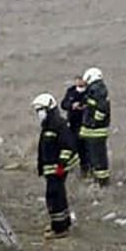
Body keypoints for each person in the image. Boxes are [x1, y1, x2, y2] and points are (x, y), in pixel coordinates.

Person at [31, 93, 79, 239]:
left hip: (57, 170)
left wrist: (61, 165)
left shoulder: (58, 124)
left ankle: (59, 229)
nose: (39, 114)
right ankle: (62, 223)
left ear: (49, 108)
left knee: (54, 197)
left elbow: (68, 147)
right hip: (51, 169)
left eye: (41, 110)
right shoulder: (48, 124)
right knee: (58, 196)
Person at [80, 67, 111, 187]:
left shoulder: (97, 89)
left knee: (98, 156)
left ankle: (102, 181)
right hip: (93, 130)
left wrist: (94, 122)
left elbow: (101, 109)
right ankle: (98, 178)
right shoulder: (96, 89)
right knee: (94, 155)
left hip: (96, 130)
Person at [61, 75, 90, 178]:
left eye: (81, 79)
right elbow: (63, 104)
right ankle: (65, 168)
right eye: (77, 79)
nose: (79, 81)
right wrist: (71, 105)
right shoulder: (71, 91)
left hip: (85, 124)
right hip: (72, 123)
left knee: (84, 148)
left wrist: (83, 106)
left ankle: (85, 169)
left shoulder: (89, 91)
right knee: (70, 147)